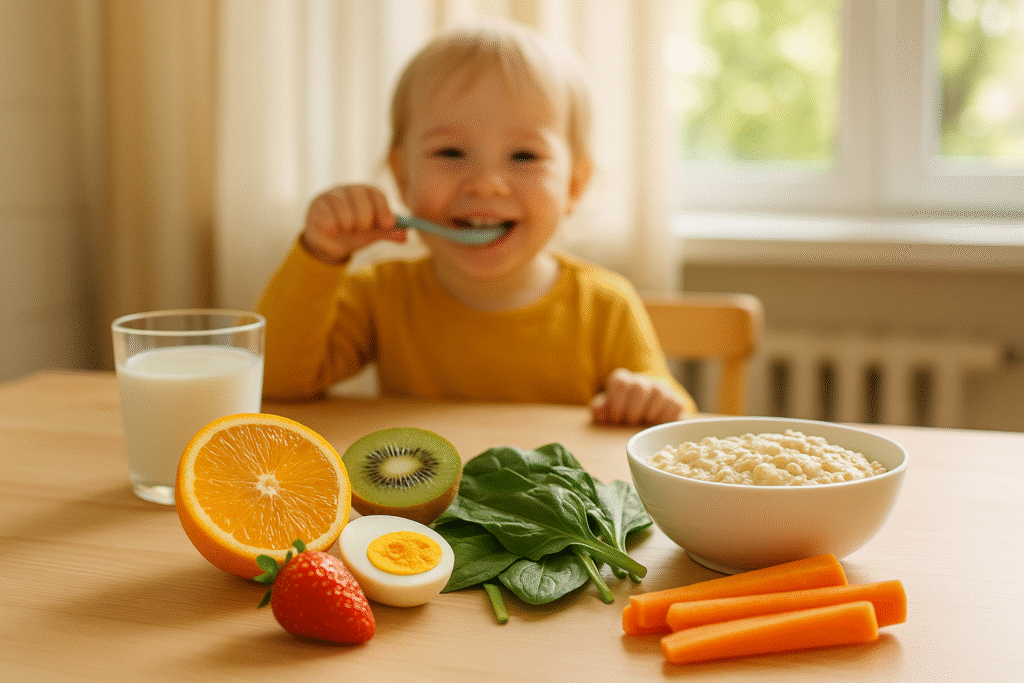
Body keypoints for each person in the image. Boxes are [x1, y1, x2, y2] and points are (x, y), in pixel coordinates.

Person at [256, 21, 696, 426]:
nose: (486, 184)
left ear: (574, 187)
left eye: (524, 155)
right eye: (450, 153)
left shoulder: (605, 308)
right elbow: (276, 382)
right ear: (402, 176)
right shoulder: (382, 297)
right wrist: (320, 255)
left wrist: (650, 402)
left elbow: (673, 425)